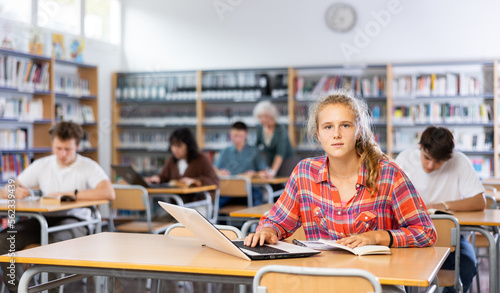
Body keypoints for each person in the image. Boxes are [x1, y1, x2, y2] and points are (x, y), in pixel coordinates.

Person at [245, 91, 437, 293]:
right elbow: (276, 220)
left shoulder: (388, 174)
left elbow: (426, 232)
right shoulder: (304, 173)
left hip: (376, 284)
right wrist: (268, 230)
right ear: (318, 134)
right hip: (319, 282)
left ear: (359, 130)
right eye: (328, 127)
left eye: (345, 125)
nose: (336, 134)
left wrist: (378, 237)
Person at [0, 121, 115, 293]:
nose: (62, 154)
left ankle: (52, 291)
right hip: (44, 219)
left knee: (54, 245)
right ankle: (21, 290)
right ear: (52, 144)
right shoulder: (43, 164)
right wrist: (13, 191)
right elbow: (8, 187)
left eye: (68, 149)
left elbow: (108, 192)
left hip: (77, 221)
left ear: (77, 145)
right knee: (4, 239)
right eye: (58, 148)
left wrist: (70, 194)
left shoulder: (87, 166)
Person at [395, 126, 485, 293]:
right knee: (399, 269)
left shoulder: (460, 162)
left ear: (448, 158)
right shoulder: (405, 159)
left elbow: (480, 201)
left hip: (452, 240)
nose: (430, 166)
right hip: (412, 239)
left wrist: (442, 205)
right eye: (427, 158)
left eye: (438, 162)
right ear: (420, 147)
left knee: (466, 267)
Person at [214, 121, 269, 206]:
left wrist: (254, 174)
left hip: (249, 190)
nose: (238, 139)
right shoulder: (225, 151)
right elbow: (214, 169)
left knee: (257, 198)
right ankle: (218, 219)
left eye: (241, 136)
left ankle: (255, 219)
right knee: (216, 202)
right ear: (230, 135)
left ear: (246, 135)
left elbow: (265, 172)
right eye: (235, 136)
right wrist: (219, 172)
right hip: (229, 191)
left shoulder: (254, 151)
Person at [145, 128, 219, 188]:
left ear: (189, 145)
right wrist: (157, 178)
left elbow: (215, 181)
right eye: (173, 145)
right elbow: (164, 177)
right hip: (175, 202)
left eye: (179, 146)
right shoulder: (172, 160)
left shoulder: (201, 159)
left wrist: (196, 181)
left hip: (196, 202)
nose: (174, 149)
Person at [253, 100, 295, 177]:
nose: (262, 119)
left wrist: (272, 172)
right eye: (260, 117)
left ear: (272, 116)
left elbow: (280, 153)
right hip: (271, 161)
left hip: (286, 162)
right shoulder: (260, 129)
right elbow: (255, 147)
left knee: (284, 184)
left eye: (265, 116)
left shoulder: (280, 129)